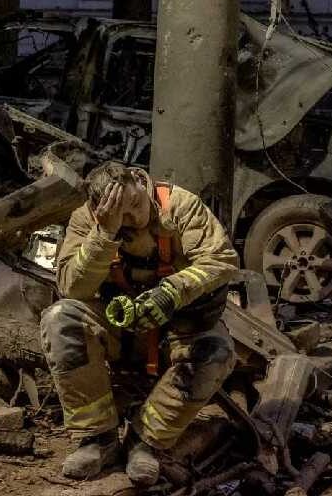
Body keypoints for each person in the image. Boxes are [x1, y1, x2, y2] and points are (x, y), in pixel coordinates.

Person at [39, 162, 238, 485]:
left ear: (139, 182)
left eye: (135, 205)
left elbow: (222, 260)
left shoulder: (181, 205)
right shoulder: (87, 220)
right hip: (116, 324)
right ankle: (97, 440)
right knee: (60, 319)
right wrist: (104, 234)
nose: (134, 219)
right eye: (122, 215)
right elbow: (72, 288)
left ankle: (145, 443)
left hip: (178, 326)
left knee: (216, 351)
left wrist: (173, 291)